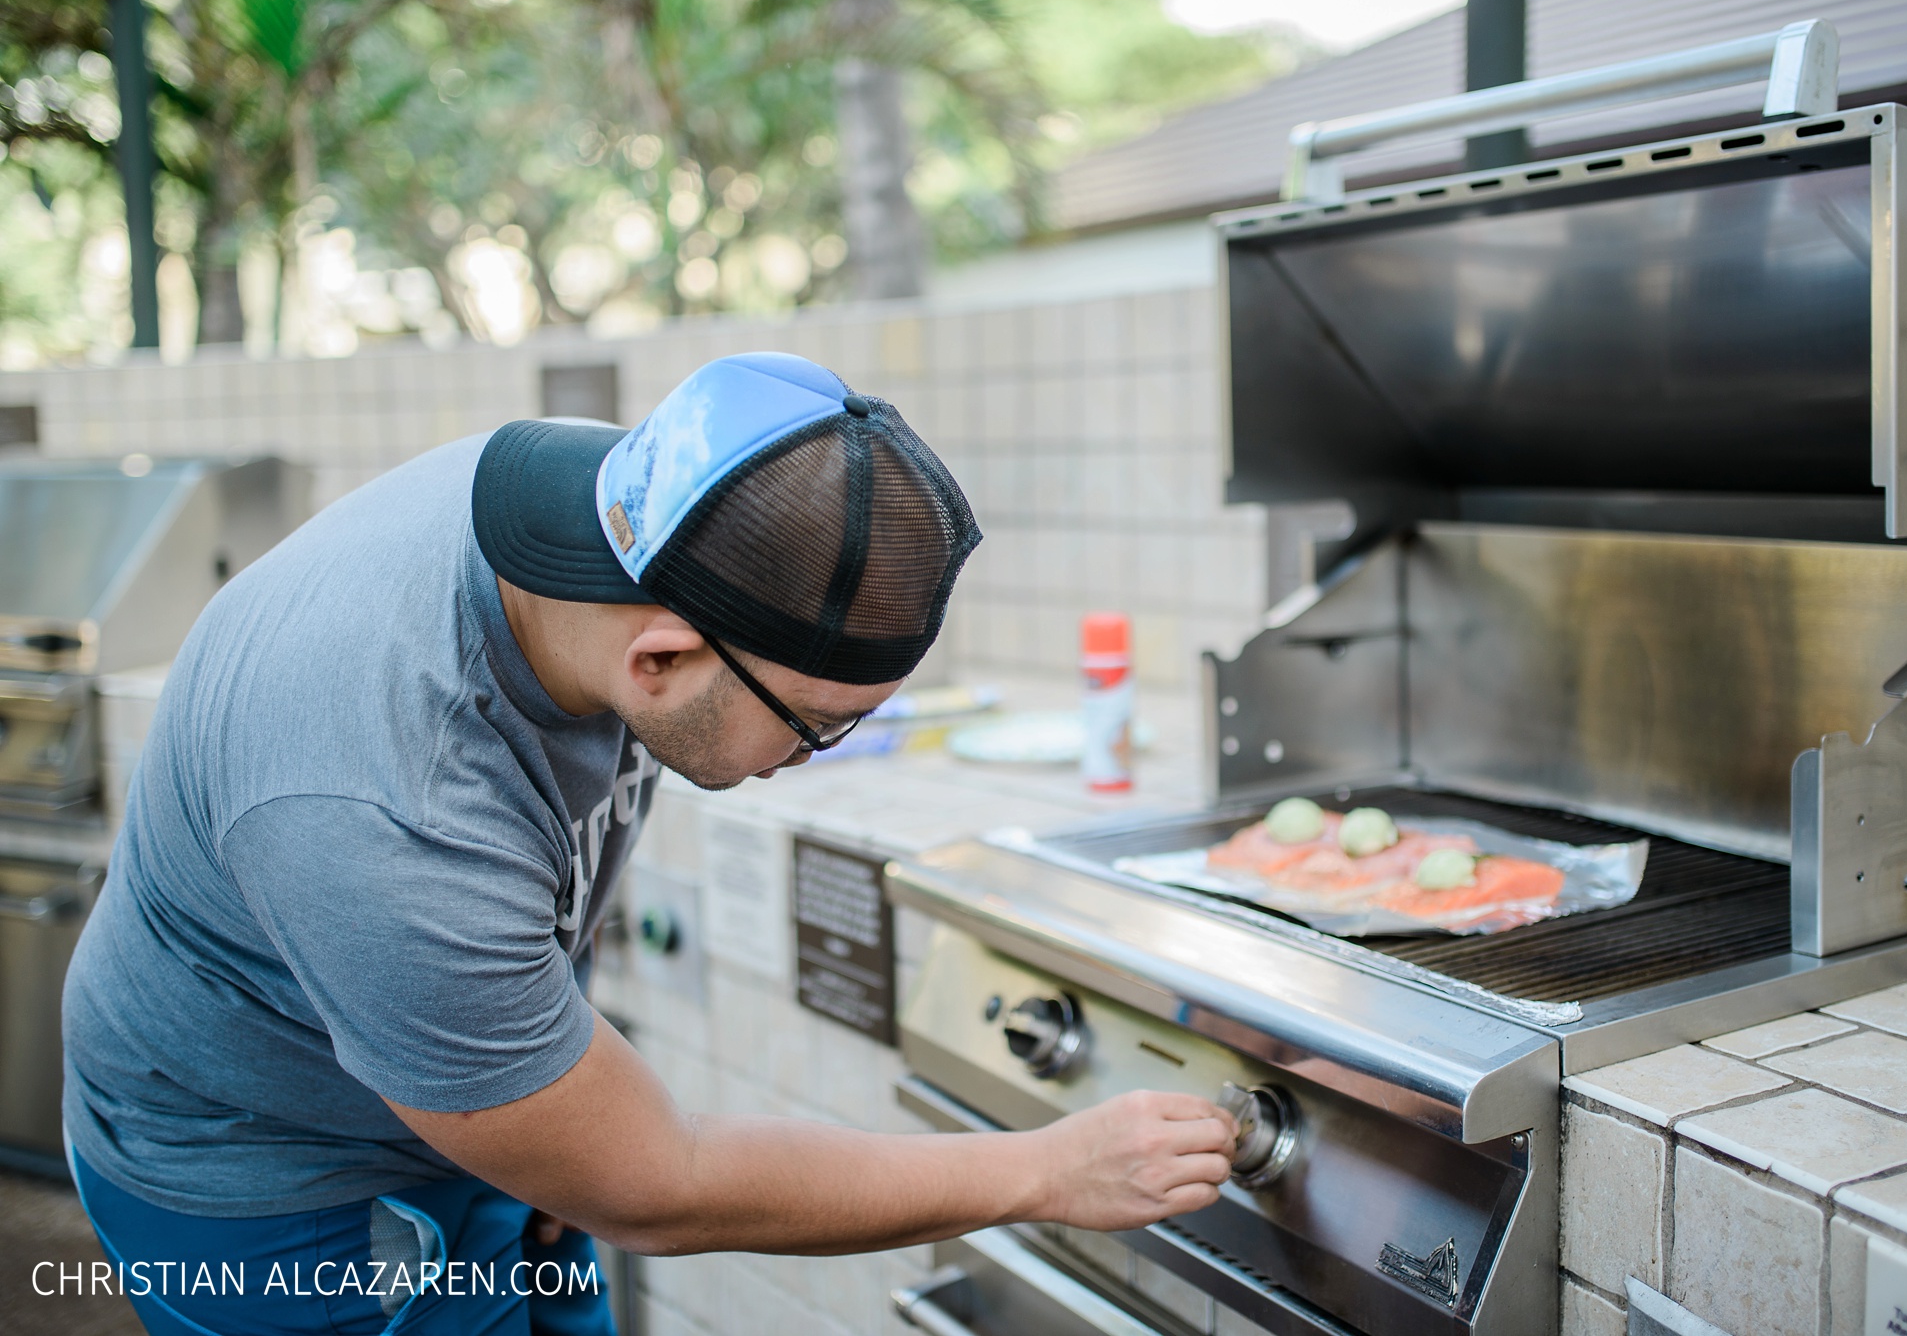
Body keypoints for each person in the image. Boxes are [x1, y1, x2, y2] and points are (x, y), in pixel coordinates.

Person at [59, 352, 1236, 1336]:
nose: (810, 755)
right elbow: (656, 1187)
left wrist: (542, 1120)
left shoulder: (627, 516)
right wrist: (1046, 1170)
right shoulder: (385, 802)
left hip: (426, 1093)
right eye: (816, 726)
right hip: (269, 1178)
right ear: (660, 658)